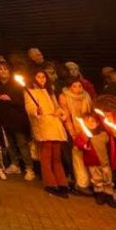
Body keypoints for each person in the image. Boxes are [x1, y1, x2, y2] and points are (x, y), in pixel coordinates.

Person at [24, 69, 69, 197]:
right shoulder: (30, 92)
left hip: (55, 127)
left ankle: (62, 183)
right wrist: (36, 111)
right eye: (38, 77)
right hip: (44, 127)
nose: (42, 79)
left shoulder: (50, 92)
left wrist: (60, 112)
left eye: (43, 77)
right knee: (46, 157)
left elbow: (56, 107)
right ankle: (50, 183)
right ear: (34, 78)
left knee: (56, 157)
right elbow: (30, 109)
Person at [0, 62, 34, 180]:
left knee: (21, 143)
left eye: (5, 69)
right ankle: (15, 164)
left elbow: (23, 101)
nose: (3, 72)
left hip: (16, 118)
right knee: (9, 143)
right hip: (3, 118)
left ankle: (29, 168)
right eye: (0, 69)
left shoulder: (16, 84)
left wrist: (10, 99)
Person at [59, 77, 94, 194]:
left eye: (80, 86)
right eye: (74, 86)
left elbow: (90, 112)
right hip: (73, 130)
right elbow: (67, 116)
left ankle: (92, 181)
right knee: (76, 156)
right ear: (70, 87)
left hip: (87, 129)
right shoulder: (64, 97)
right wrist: (72, 131)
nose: (78, 89)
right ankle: (81, 182)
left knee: (88, 155)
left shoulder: (86, 96)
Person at [74, 113, 116, 207]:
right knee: (97, 179)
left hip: (105, 162)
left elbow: (110, 144)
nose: (90, 123)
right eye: (87, 121)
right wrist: (84, 146)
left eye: (93, 121)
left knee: (107, 178)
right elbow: (78, 143)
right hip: (93, 162)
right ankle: (100, 194)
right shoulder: (83, 135)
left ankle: (109, 195)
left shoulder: (103, 134)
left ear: (97, 123)